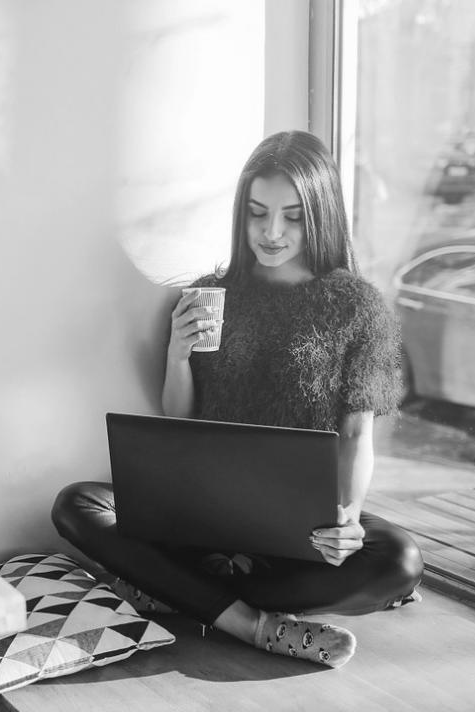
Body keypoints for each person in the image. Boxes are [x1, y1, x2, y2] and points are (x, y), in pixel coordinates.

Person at [51, 130, 423, 669]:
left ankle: (182, 594)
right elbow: (180, 418)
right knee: (78, 504)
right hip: (203, 517)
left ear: (320, 214)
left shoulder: (357, 308)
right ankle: (253, 625)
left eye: (292, 216)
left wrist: (348, 517)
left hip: (295, 529)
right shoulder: (212, 295)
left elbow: (356, 433)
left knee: (400, 561)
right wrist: (178, 355)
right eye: (257, 213)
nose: (271, 232)